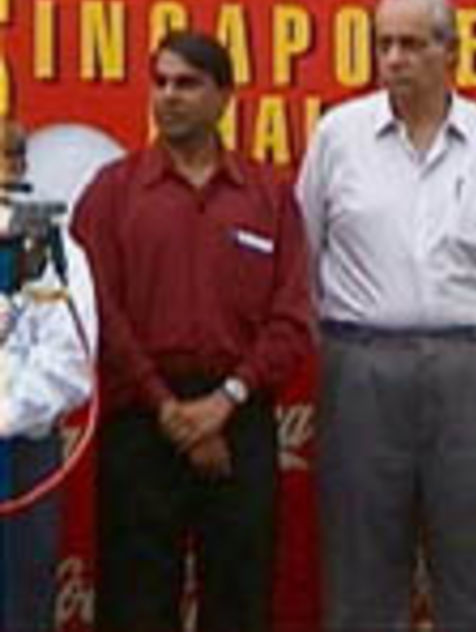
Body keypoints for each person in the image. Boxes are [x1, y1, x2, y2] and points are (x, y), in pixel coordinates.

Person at [297, 0, 476, 632]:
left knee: (471, 571)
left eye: (410, 43)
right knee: (360, 576)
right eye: (384, 44)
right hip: (363, 367)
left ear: (449, 52)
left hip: (472, 371)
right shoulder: (337, 136)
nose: (394, 58)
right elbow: (306, 255)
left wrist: (458, 338)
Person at [71, 32, 313, 632]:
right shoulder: (113, 193)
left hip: (239, 422)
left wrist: (224, 402)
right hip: (141, 423)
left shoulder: (270, 196)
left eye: (187, 83)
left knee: (239, 600)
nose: (169, 96)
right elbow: (96, 311)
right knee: (133, 604)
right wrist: (168, 410)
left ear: (225, 96)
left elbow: (291, 317)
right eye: (161, 82)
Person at [0, 117, 96, 632]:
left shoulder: (51, 249)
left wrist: (7, 410)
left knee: (19, 604)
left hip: (21, 454)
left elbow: (70, 364)